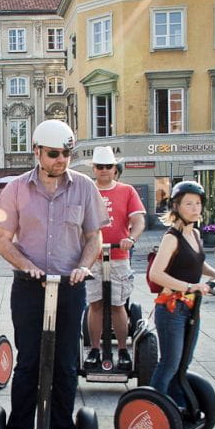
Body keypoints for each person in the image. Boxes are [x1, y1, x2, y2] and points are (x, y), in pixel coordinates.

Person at [0, 119, 106, 429]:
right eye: (54, 154)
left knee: (66, 366)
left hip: (70, 287)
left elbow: (93, 237)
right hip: (29, 287)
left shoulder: (85, 187)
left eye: (67, 154)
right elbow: (1, 240)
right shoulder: (15, 189)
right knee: (28, 363)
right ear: (37, 152)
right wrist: (25, 264)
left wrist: (85, 266)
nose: (61, 160)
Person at [147, 181, 215, 410]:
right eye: (189, 204)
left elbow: (197, 263)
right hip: (171, 308)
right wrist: (189, 286)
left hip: (190, 307)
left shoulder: (194, 233)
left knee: (183, 362)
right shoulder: (171, 237)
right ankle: (153, 409)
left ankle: (174, 406)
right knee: (170, 363)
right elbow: (156, 274)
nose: (195, 208)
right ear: (176, 206)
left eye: (198, 204)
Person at [82, 145, 145, 372]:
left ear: (114, 168)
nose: (104, 170)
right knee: (95, 304)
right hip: (92, 257)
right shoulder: (87, 190)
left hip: (118, 255)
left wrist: (132, 238)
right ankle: (95, 350)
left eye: (108, 166)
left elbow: (138, 220)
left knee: (118, 305)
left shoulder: (126, 191)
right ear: (95, 169)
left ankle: (122, 350)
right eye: (99, 166)